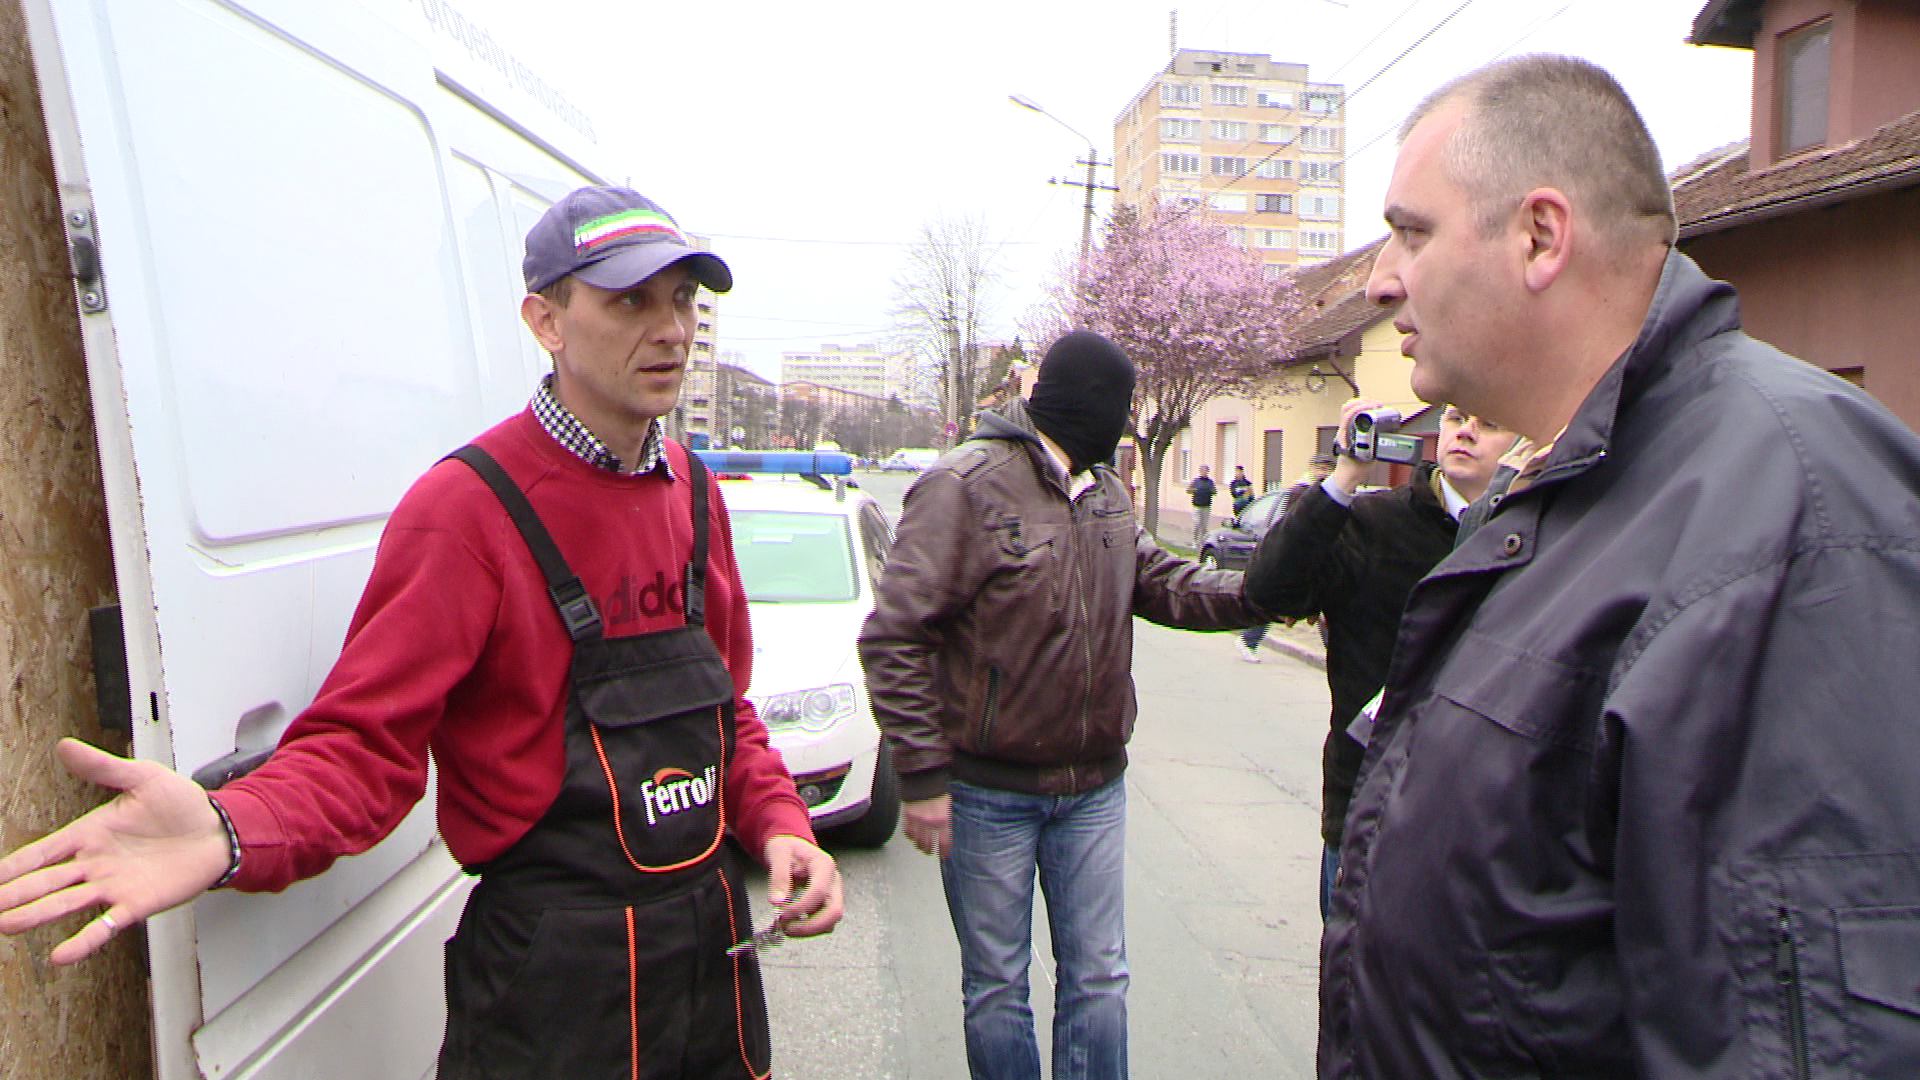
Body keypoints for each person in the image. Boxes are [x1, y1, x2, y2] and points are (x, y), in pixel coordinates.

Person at [0, 187, 844, 1079]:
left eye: (682, 298)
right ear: (546, 320)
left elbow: (729, 717)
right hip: (552, 997)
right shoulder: (467, 513)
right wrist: (228, 829)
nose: (670, 328)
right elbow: (363, 748)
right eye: (630, 299)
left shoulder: (697, 496)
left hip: (712, 978)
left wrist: (781, 822)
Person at [1321, 54, 1920, 1078]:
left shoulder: (1795, 498)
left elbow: (1807, 1033)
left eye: (1411, 231)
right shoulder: (1569, 487)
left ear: (1540, 236)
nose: (1382, 279)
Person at [859, 331, 1267, 1080]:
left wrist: (1263, 593)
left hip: (1094, 791)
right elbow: (895, 637)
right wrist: (920, 776)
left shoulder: (1105, 491)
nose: (1127, 420)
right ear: (1091, 404)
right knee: (997, 988)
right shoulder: (965, 485)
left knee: (1100, 979)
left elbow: (1164, 583)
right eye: (1122, 404)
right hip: (987, 794)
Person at [1243, 399, 1515, 914]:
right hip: (1369, 810)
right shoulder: (1372, 522)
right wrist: (1344, 475)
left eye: (1490, 422)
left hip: (1483, 823)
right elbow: (1270, 591)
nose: (1465, 433)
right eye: (1456, 419)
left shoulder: (1535, 533)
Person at [1233, 456, 1336, 664]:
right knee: (1278, 603)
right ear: (1312, 469)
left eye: (1328, 468)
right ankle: (1248, 640)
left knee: (1326, 608)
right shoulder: (1301, 492)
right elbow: (1293, 525)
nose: (1323, 472)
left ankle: (1336, 656)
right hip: (1296, 558)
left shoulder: (1333, 493)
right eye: (1320, 468)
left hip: (1322, 559)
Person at [1185, 463, 1217, 548]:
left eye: (1206, 471)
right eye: (1203, 471)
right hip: (1197, 506)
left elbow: (1214, 491)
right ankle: (1195, 541)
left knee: (1204, 526)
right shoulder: (1196, 481)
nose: (1204, 472)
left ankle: (1202, 543)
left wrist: (1210, 491)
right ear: (1200, 472)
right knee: (1197, 524)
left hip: (1206, 506)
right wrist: (1195, 490)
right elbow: (1188, 490)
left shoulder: (1210, 482)